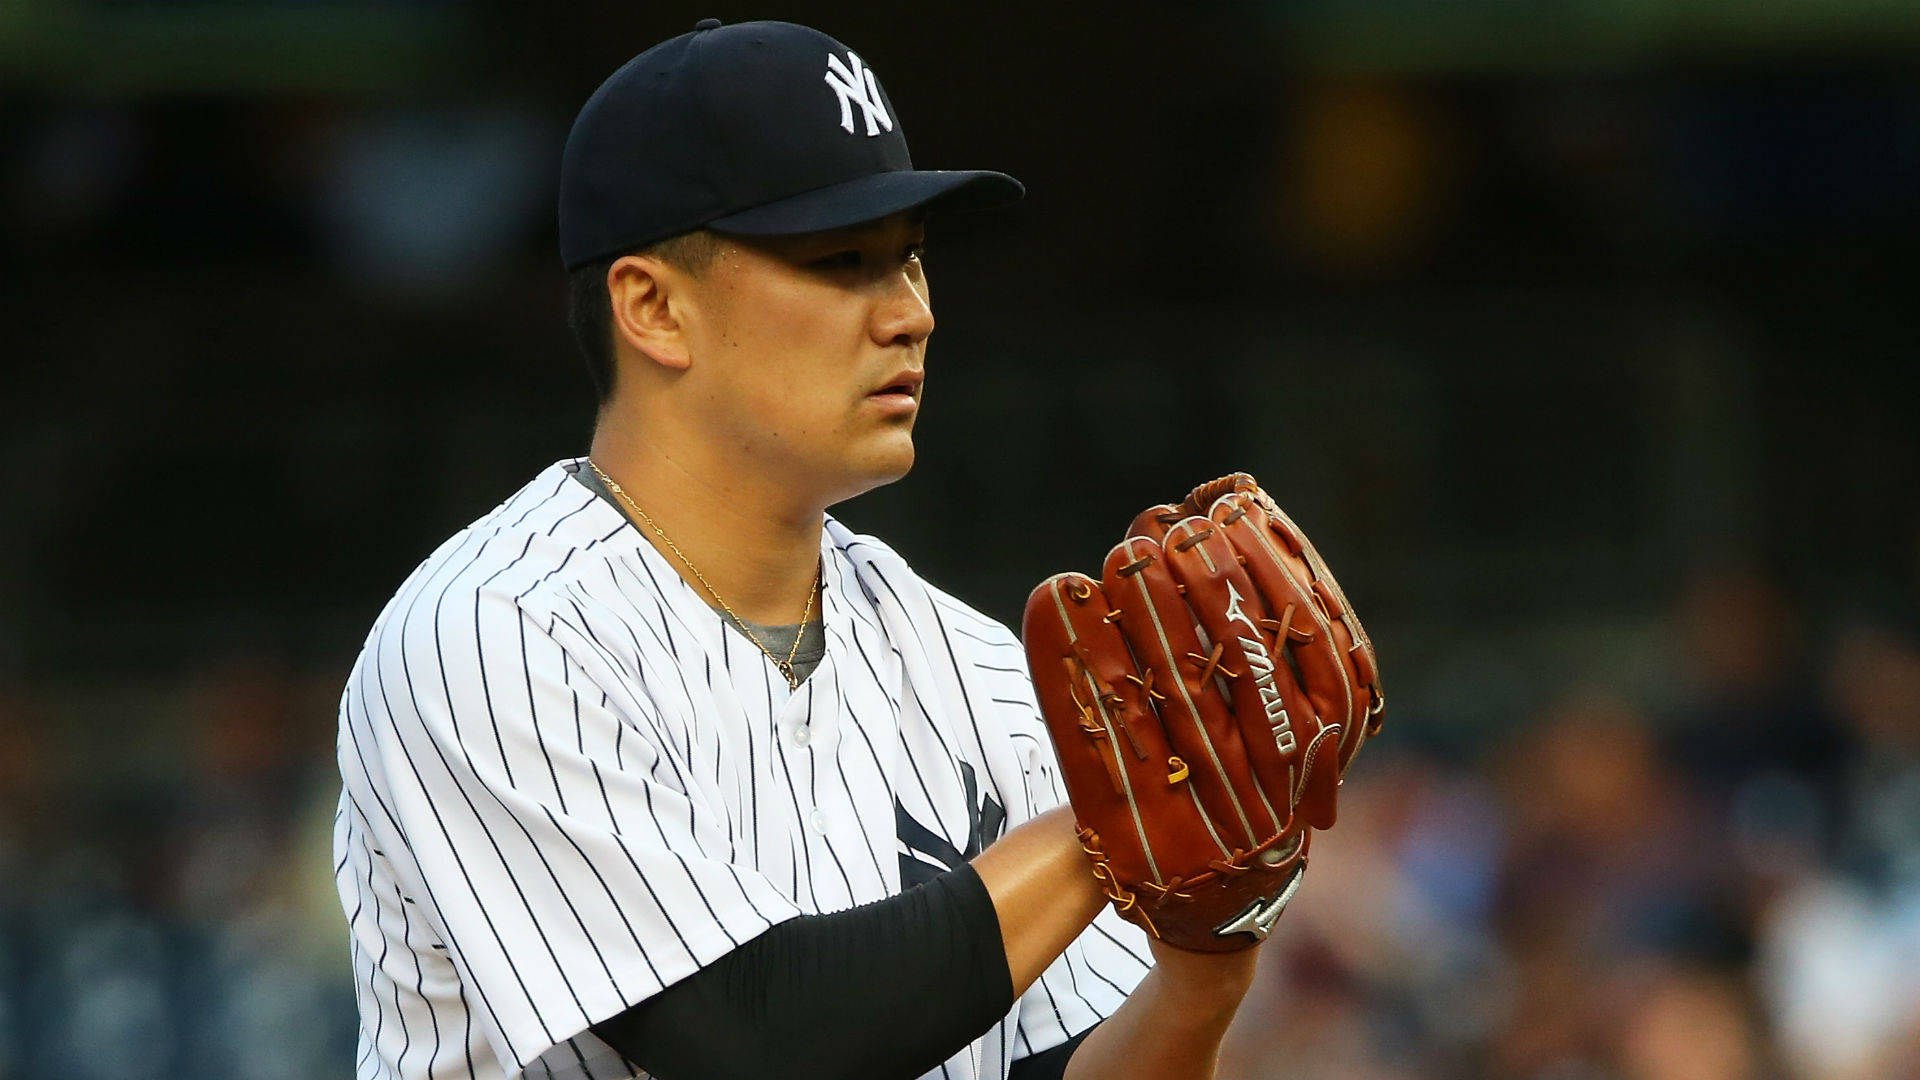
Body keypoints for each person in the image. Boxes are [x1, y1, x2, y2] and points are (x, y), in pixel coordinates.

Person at [334, 19, 1269, 1080]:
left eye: (910, 261)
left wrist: (1201, 978)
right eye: (842, 262)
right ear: (652, 306)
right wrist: (1116, 814)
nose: (910, 314)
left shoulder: (976, 669)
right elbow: (752, 1037)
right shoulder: (496, 634)